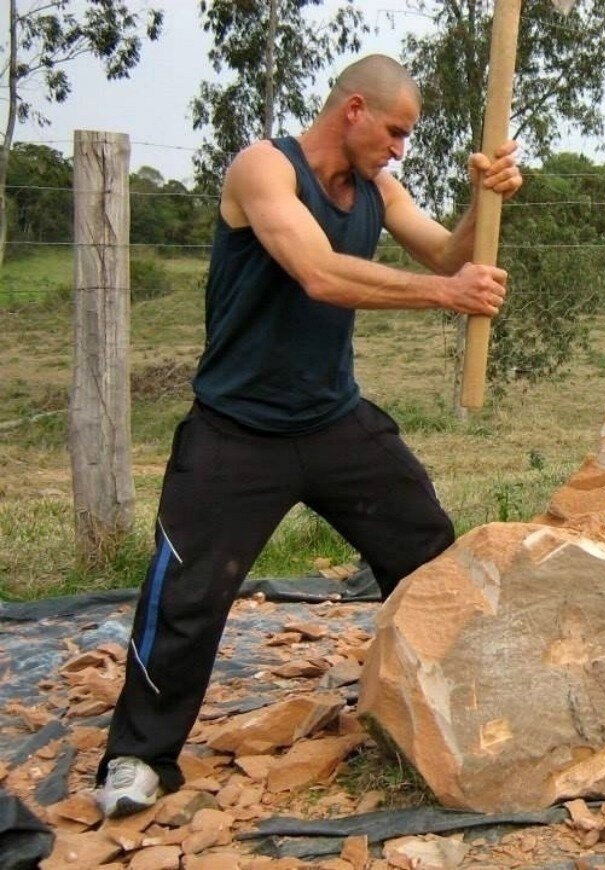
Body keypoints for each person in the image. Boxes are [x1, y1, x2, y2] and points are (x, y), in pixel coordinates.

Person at [94, 54, 523, 818]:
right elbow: (319, 272)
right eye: (395, 132)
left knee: (429, 553)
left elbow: (447, 253)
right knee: (188, 591)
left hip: (333, 422)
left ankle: (455, 714)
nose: (399, 150)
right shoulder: (263, 168)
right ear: (354, 109)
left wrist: (480, 206)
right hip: (236, 430)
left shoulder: (378, 189)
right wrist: (444, 298)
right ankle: (137, 757)